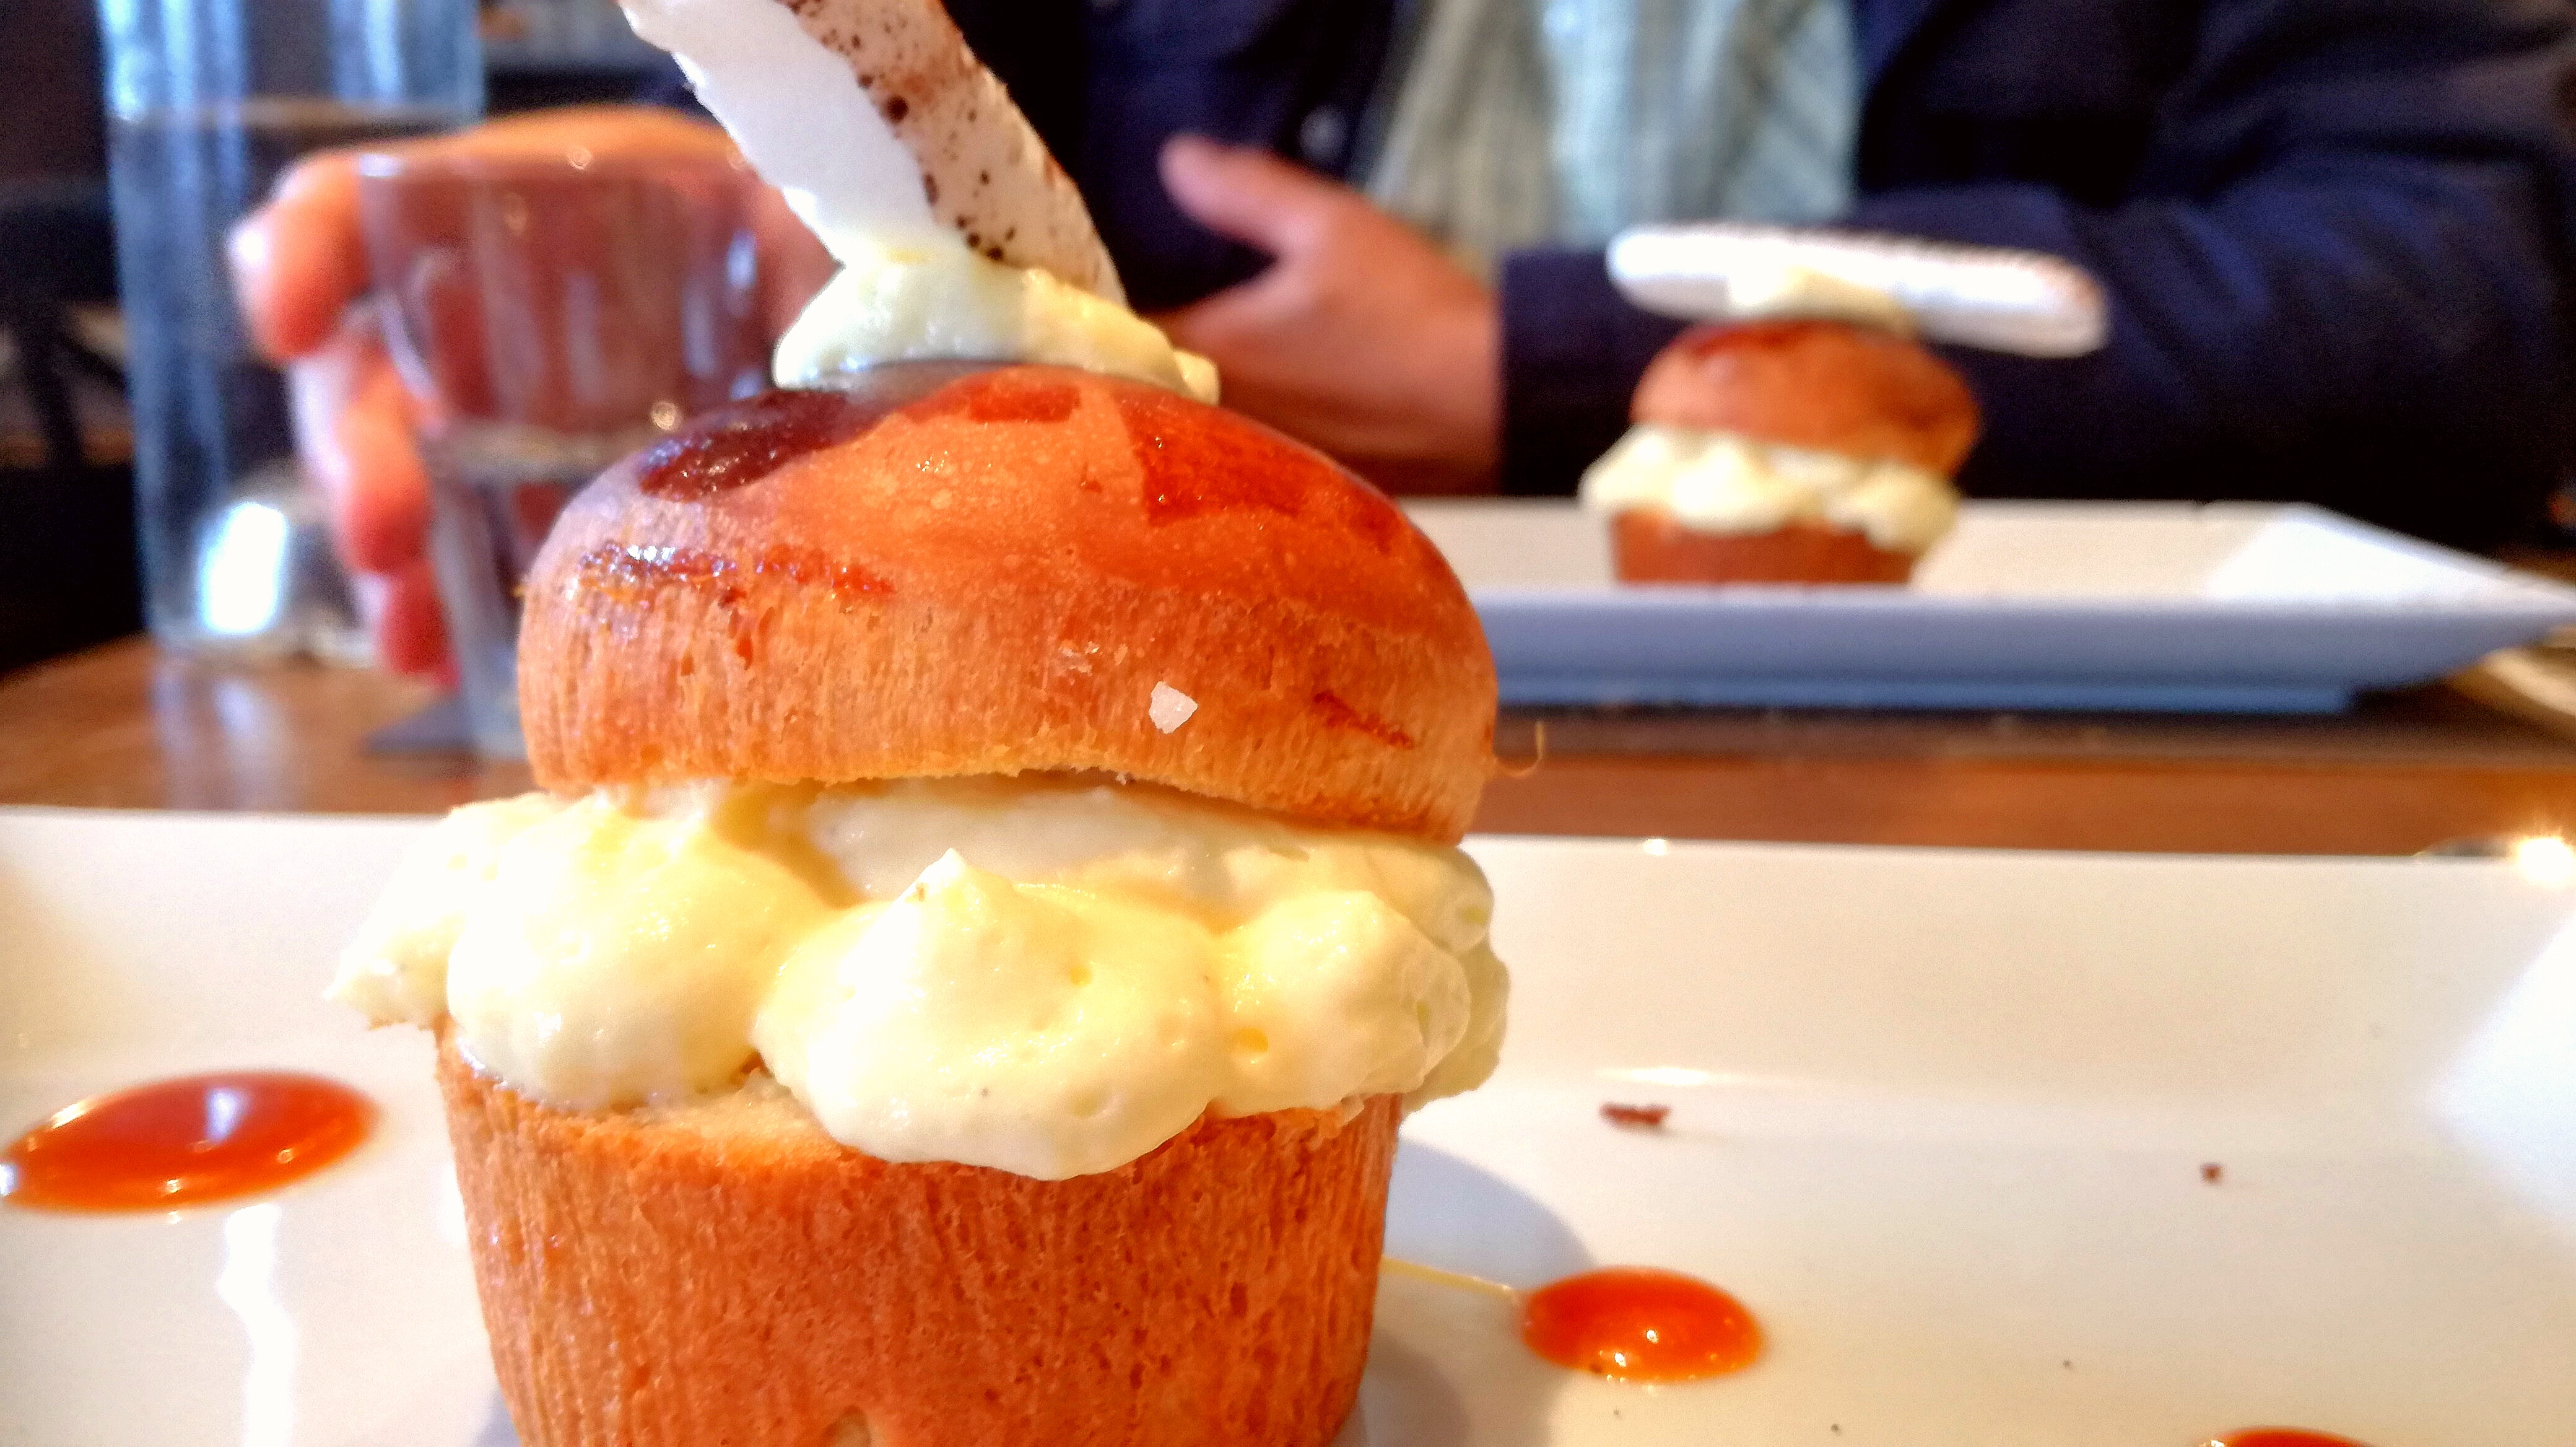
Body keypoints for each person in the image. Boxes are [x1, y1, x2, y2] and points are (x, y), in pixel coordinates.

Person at [235, 0, 2576, 677]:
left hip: (2133, 767)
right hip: (1142, 691)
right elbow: (942, 104)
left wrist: (1521, 358)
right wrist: (778, 199)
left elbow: (2469, 274)